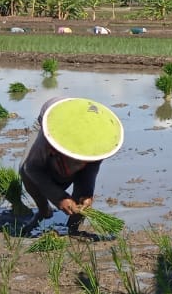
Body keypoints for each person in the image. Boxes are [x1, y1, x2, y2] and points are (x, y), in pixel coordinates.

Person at [19, 97, 124, 234]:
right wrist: (59, 197)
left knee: (82, 187)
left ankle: (72, 228)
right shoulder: (50, 137)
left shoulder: (100, 143)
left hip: (84, 125)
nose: (80, 163)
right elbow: (31, 168)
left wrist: (86, 193)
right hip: (51, 120)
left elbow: (89, 171)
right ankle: (44, 210)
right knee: (24, 170)